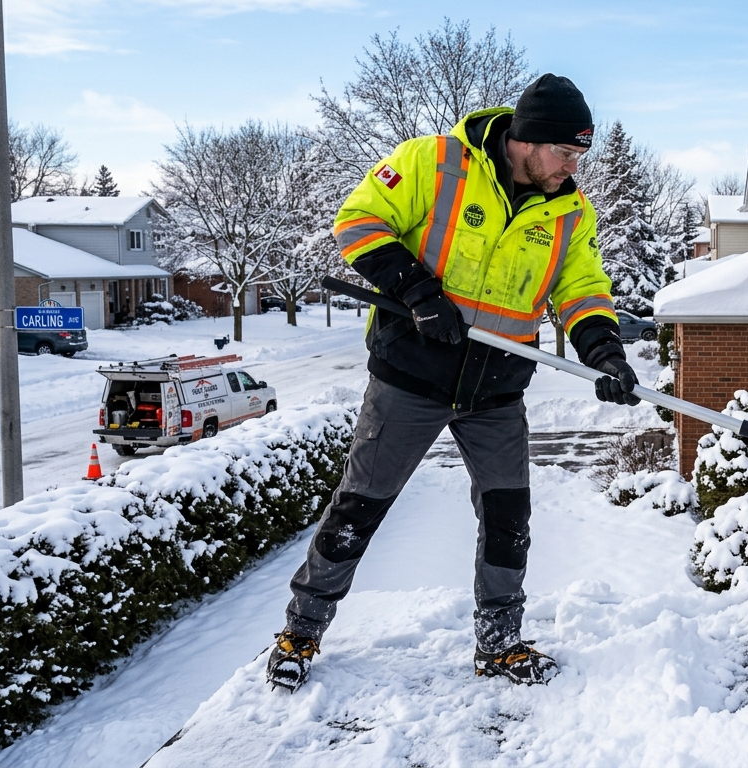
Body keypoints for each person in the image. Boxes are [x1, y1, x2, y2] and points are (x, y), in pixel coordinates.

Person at [266, 74, 639, 691]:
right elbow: (357, 223)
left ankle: (499, 643)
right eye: (567, 152)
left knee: (507, 517)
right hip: (411, 375)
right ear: (528, 139)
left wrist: (604, 352)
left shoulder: (570, 211)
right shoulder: (434, 163)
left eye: (580, 155)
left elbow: (581, 289)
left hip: (495, 389)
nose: (574, 166)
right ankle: (300, 632)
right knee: (359, 507)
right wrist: (416, 290)